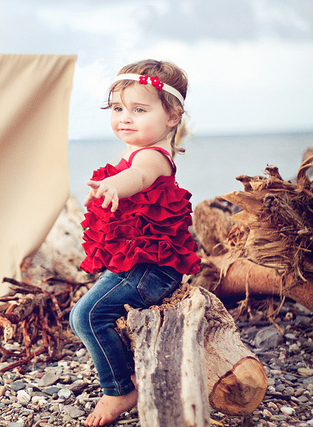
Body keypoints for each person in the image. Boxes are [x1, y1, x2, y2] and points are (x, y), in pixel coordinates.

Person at [69, 59, 201, 427]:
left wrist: (114, 186)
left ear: (172, 116)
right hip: (137, 264)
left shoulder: (152, 157)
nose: (124, 118)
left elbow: (138, 177)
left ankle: (119, 390)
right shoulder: (139, 149)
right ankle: (126, 372)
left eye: (139, 110)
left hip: (150, 271)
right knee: (90, 313)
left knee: (88, 315)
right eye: (117, 109)